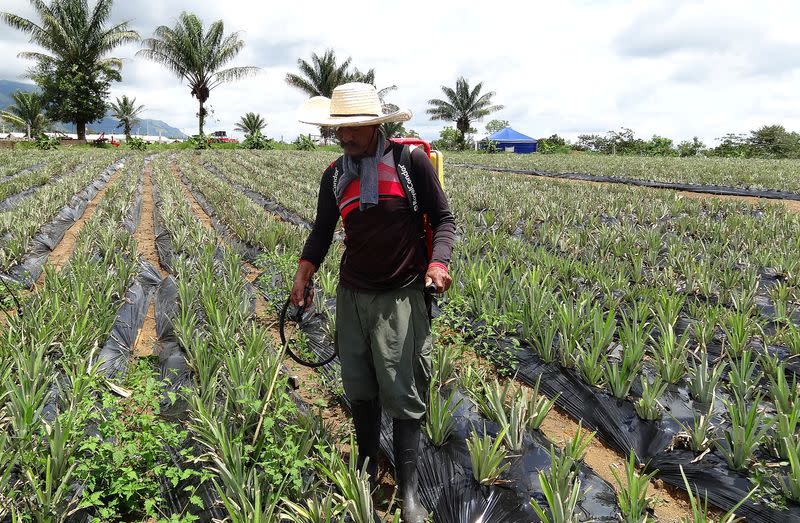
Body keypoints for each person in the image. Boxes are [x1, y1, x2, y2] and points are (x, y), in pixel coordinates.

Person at [291, 83, 455, 522]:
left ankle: (409, 494)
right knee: (360, 390)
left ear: (375, 124)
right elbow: (324, 229)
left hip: (400, 297)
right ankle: (365, 467)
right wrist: (305, 270)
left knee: (402, 395)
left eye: (351, 128)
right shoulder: (334, 175)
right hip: (352, 296)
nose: (343, 137)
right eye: (337, 129)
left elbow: (443, 220)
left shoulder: (410, 163)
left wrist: (438, 265)